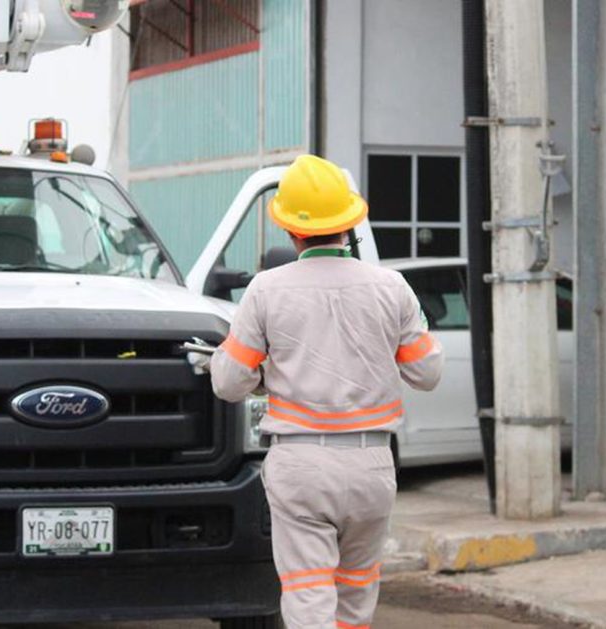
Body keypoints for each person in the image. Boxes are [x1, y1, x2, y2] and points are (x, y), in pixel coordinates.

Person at [189, 154, 443, 629]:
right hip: (371, 466)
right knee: (355, 597)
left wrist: (262, 374)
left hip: (300, 464)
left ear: (290, 229)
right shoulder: (392, 288)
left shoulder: (266, 290)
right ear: (349, 223)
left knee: (309, 598)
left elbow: (227, 383)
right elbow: (427, 373)